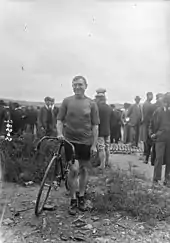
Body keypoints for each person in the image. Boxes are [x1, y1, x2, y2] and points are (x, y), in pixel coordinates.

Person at [57, 75, 100, 215]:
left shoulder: (91, 104)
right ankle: (73, 199)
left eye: (80, 84)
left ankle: (81, 196)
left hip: (86, 142)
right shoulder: (67, 101)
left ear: (86, 86)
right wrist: (59, 133)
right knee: (73, 170)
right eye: (74, 84)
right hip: (70, 141)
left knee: (84, 170)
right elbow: (59, 120)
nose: (77, 87)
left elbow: (95, 126)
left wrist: (94, 145)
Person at [150, 93, 170, 186]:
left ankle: (167, 179)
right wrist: (152, 134)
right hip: (160, 138)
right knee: (159, 158)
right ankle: (156, 179)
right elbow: (152, 123)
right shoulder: (158, 111)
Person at [95, 91, 112, 169]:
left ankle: (102, 164)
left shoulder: (97, 107)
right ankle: (107, 162)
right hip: (107, 130)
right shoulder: (109, 107)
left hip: (100, 130)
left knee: (101, 148)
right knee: (107, 147)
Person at [140, 92, 154, 163]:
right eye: (150, 95)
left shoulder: (148, 104)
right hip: (147, 124)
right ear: (147, 96)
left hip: (148, 123)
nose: (152, 97)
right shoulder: (147, 104)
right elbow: (145, 115)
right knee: (147, 140)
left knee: (147, 139)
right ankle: (146, 154)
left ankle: (146, 154)